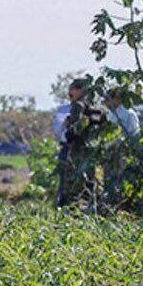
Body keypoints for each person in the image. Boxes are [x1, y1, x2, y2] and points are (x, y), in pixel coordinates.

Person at [56, 77, 98, 207]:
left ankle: (65, 210)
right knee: (89, 182)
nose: (70, 94)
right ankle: (89, 208)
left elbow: (75, 130)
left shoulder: (78, 106)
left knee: (69, 183)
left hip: (75, 150)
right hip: (90, 150)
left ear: (80, 90)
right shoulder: (95, 108)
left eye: (72, 91)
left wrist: (69, 129)